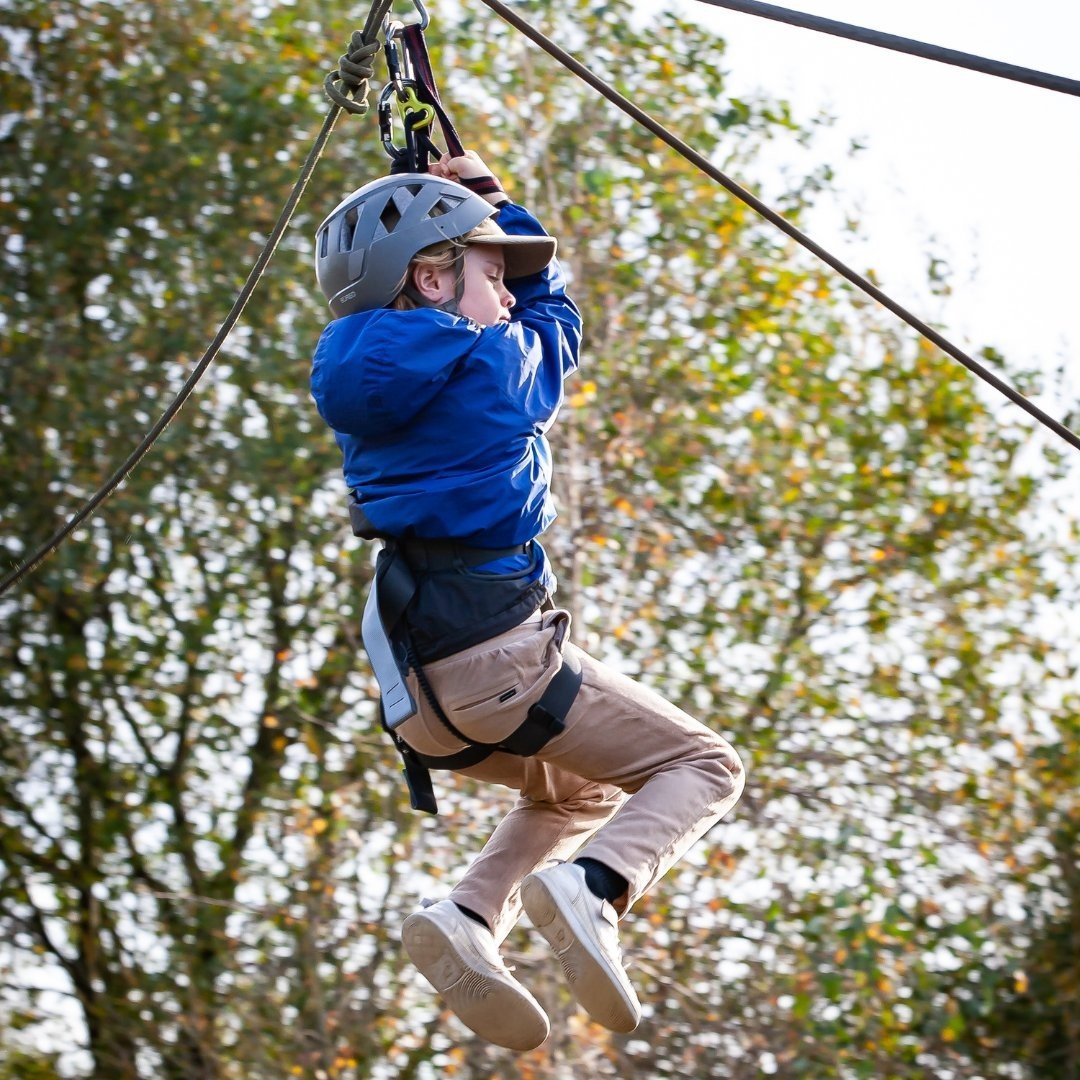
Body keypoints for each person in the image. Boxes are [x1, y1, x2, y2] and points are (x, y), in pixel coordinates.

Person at [310, 151, 744, 1052]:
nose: (508, 294)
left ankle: (470, 914)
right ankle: (596, 888)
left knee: (579, 791)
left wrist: (475, 224)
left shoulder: (352, 377)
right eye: (490, 274)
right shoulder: (490, 363)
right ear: (431, 279)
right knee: (705, 766)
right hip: (497, 659)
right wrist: (499, 203)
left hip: (420, 697)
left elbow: (510, 309)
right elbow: (558, 323)